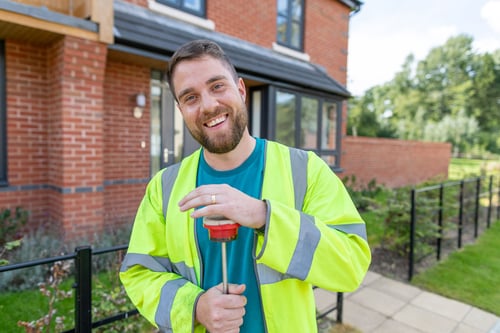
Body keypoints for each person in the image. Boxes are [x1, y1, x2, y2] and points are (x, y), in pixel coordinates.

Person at [120, 39, 371, 333]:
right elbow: (139, 274)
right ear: (181, 109)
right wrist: (196, 306)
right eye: (190, 98)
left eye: (217, 86)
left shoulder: (306, 170)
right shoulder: (163, 188)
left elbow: (351, 265)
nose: (209, 105)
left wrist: (266, 217)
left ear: (240, 89)